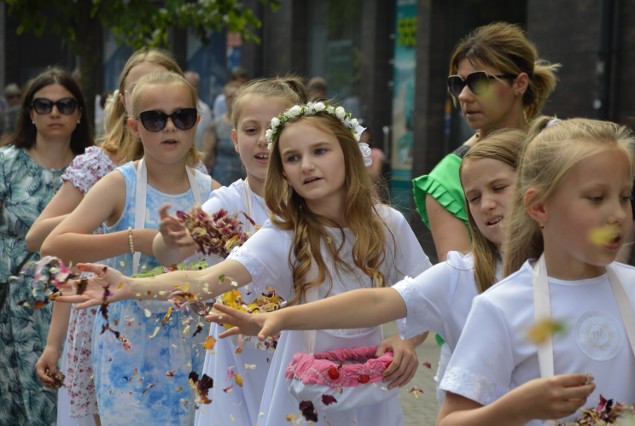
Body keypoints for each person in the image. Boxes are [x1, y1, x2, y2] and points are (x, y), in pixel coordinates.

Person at [58, 101, 433, 425]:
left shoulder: (388, 224)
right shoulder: (285, 234)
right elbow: (209, 279)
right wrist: (132, 286)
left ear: (349, 153)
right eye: (292, 157)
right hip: (303, 391)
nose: (307, 166)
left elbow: (426, 296)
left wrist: (405, 340)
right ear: (283, 172)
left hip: (369, 387)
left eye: (320, 151)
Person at [209, 129, 533, 409]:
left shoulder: (388, 224)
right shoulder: (460, 273)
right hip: (312, 388)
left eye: (499, 188)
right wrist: (276, 318)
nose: (486, 204)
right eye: (473, 197)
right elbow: (378, 302)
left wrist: (406, 342)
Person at [435, 117, 635, 425]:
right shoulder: (502, 307)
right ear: (540, 207)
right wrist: (519, 407)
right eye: (597, 198)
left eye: (624, 197)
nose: (617, 214)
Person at [29, 48, 194, 426]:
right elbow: (44, 239)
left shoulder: (191, 169)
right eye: (139, 92)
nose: (166, 122)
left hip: (174, 323)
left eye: (178, 112)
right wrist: (118, 227)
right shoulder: (104, 164)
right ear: (126, 104)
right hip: (104, 312)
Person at [154, 75, 308, 426]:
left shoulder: (316, 201)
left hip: (302, 346)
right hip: (237, 354)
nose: (262, 141)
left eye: (274, 130)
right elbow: (169, 256)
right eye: (251, 130)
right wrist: (170, 239)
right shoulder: (228, 202)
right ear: (235, 139)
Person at [412, 21, 560, 262]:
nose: (463, 96)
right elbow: (461, 282)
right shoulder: (447, 178)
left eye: (478, 82)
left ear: (520, 83)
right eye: (458, 84)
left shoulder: (562, 146)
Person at [0, 67, 93, 426]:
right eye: (44, 105)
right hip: (12, 304)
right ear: (30, 113)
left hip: (74, 301)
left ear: (79, 113)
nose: (55, 113)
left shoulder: (94, 170)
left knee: (67, 399)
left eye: (66, 105)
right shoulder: (6, 164)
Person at [201, 80, 244, 184]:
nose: (233, 100)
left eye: (236, 97)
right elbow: (206, 154)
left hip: (243, 175)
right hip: (220, 175)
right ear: (224, 100)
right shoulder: (216, 125)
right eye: (230, 97)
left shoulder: (249, 125)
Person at [184, 71, 213, 152]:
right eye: (187, 85)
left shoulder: (205, 109)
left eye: (194, 86)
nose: (191, 89)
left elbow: (207, 136)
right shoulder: (173, 107)